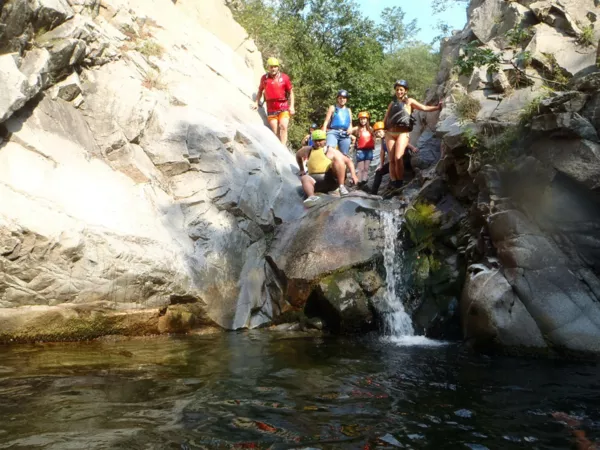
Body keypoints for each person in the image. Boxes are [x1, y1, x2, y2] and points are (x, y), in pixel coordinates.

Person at [383, 80, 441, 188]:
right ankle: (393, 181)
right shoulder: (392, 103)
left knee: (398, 157)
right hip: (390, 133)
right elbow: (386, 117)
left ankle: (399, 182)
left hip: (402, 133)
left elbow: (424, 108)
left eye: (401, 89)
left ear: (405, 91)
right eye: (397, 90)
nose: (399, 92)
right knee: (391, 160)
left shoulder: (409, 101)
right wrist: (382, 129)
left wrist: (437, 107)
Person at [296, 129, 359, 204]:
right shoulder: (308, 150)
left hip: (330, 180)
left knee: (338, 161)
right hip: (315, 182)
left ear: (325, 140)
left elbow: (348, 161)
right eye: (315, 141)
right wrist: (302, 169)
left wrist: (353, 175)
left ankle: (341, 187)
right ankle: (311, 197)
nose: (318, 143)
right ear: (312, 141)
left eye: (320, 140)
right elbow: (298, 155)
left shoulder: (330, 150)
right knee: (304, 178)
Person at [254, 57, 295, 146]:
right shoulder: (264, 78)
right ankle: (279, 147)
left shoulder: (284, 78)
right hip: (271, 108)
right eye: (271, 67)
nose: (273, 69)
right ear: (268, 67)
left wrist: (292, 106)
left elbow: (291, 92)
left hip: (283, 106)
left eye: (275, 67)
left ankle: (283, 147)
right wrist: (256, 102)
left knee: (283, 126)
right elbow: (260, 90)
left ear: (278, 67)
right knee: (275, 131)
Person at [371, 121, 418, 195]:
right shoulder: (383, 140)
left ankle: (397, 185)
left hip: (403, 158)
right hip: (393, 161)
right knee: (379, 172)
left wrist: (413, 148)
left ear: (384, 130)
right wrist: (381, 165)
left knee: (395, 164)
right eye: (376, 133)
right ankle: (373, 193)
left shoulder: (391, 135)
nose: (378, 134)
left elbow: (404, 142)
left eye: (379, 132)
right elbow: (382, 152)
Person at [322, 90, 352, 156]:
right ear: (337, 99)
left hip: (345, 134)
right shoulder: (333, 108)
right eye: (340, 98)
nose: (342, 100)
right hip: (333, 132)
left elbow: (350, 123)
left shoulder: (348, 110)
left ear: (346, 99)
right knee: (330, 150)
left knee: (344, 155)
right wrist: (323, 132)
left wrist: (350, 128)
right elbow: (326, 121)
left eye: (344, 98)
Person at [350, 111, 375, 189]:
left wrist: (373, 143)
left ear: (367, 119)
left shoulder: (370, 128)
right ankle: (359, 183)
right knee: (361, 168)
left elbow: (374, 136)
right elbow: (348, 131)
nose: (363, 121)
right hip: (360, 150)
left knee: (366, 168)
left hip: (369, 150)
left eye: (364, 119)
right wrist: (352, 137)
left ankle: (364, 182)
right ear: (359, 120)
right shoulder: (357, 128)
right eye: (361, 119)